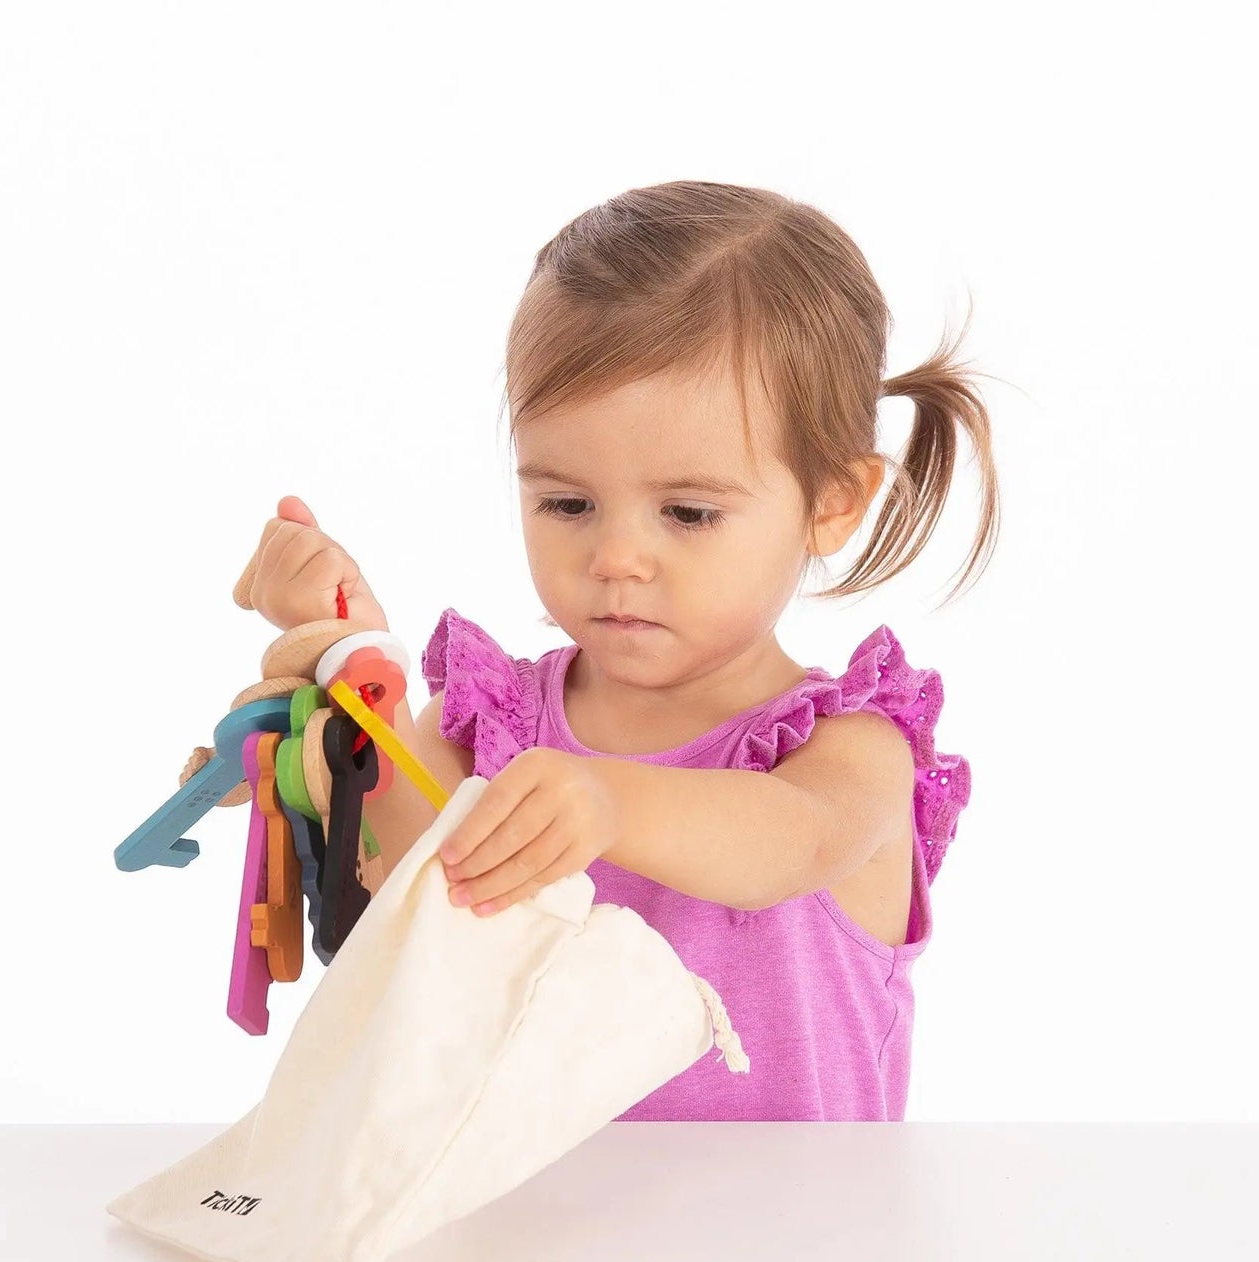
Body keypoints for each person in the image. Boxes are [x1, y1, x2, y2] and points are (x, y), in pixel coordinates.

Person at [237, 180, 1001, 1121]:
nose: (614, 559)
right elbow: (400, 870)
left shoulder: (849, 751)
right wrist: (347, 647)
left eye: (687, 512)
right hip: (527, 1240)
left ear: (832, 503)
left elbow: (787, 841)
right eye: (566, 503)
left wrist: (607, 798)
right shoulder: (493, 725)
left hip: (797, 1252)